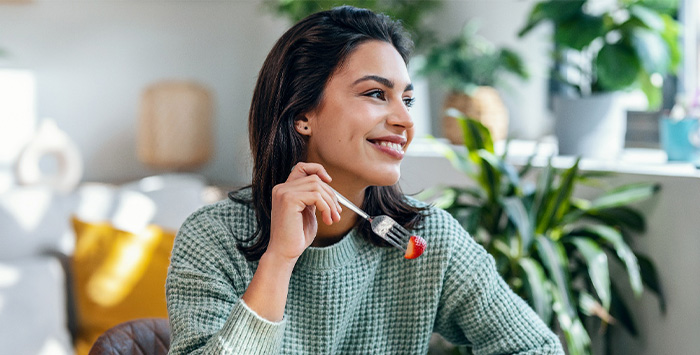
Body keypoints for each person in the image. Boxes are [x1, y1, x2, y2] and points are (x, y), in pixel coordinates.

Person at [166, 6, 564, 354]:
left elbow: (537, 348)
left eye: (407, 100)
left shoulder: (423, 240)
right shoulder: (212, 238)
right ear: (302, 113)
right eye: (376, 94)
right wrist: (278, 260)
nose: (405, 120)